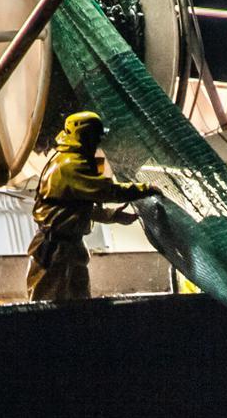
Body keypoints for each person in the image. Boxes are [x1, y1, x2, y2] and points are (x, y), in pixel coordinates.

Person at [27, 111, 160, 301]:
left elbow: (75, 207)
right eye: (95, 137)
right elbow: (106, 191)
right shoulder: (69, 164)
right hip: (54, 251)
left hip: (70, 248)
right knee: (46, 305)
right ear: (84, 136)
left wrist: (111, 216)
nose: (97, 143)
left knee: (80, 301)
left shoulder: (72, 160)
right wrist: (146, 189)